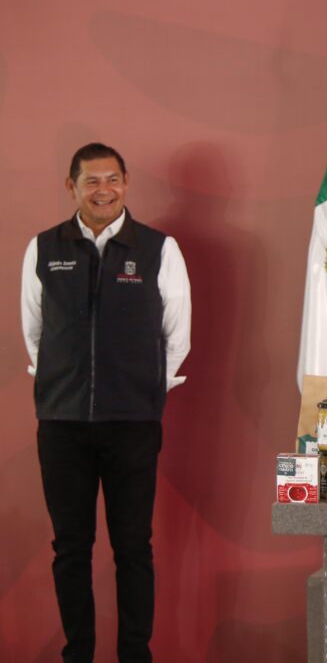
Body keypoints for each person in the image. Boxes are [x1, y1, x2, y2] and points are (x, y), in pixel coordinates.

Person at [21, 143, 192, 663]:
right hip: (62, 424)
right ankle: (78, 654)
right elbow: (35, 333)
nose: (104, 190)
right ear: (71, 187)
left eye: (112, 179)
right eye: (91, 181)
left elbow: (177, 336)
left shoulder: (159, 249)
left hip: (132, 425)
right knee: (70, 549)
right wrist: (63, 383)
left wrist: (144, 391)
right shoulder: (44, 248)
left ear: (126, 183)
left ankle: (135, 655)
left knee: (133, 548)